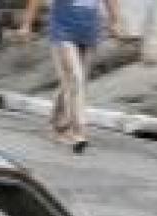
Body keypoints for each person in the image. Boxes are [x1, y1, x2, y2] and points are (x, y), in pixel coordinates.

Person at [17, 0, 123, 153]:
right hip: (62, 30)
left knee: (73, 81)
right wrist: (26, 24)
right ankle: (78, 131)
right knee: (75, 78)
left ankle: (57, 123)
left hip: (89, 30)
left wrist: (115, 21)